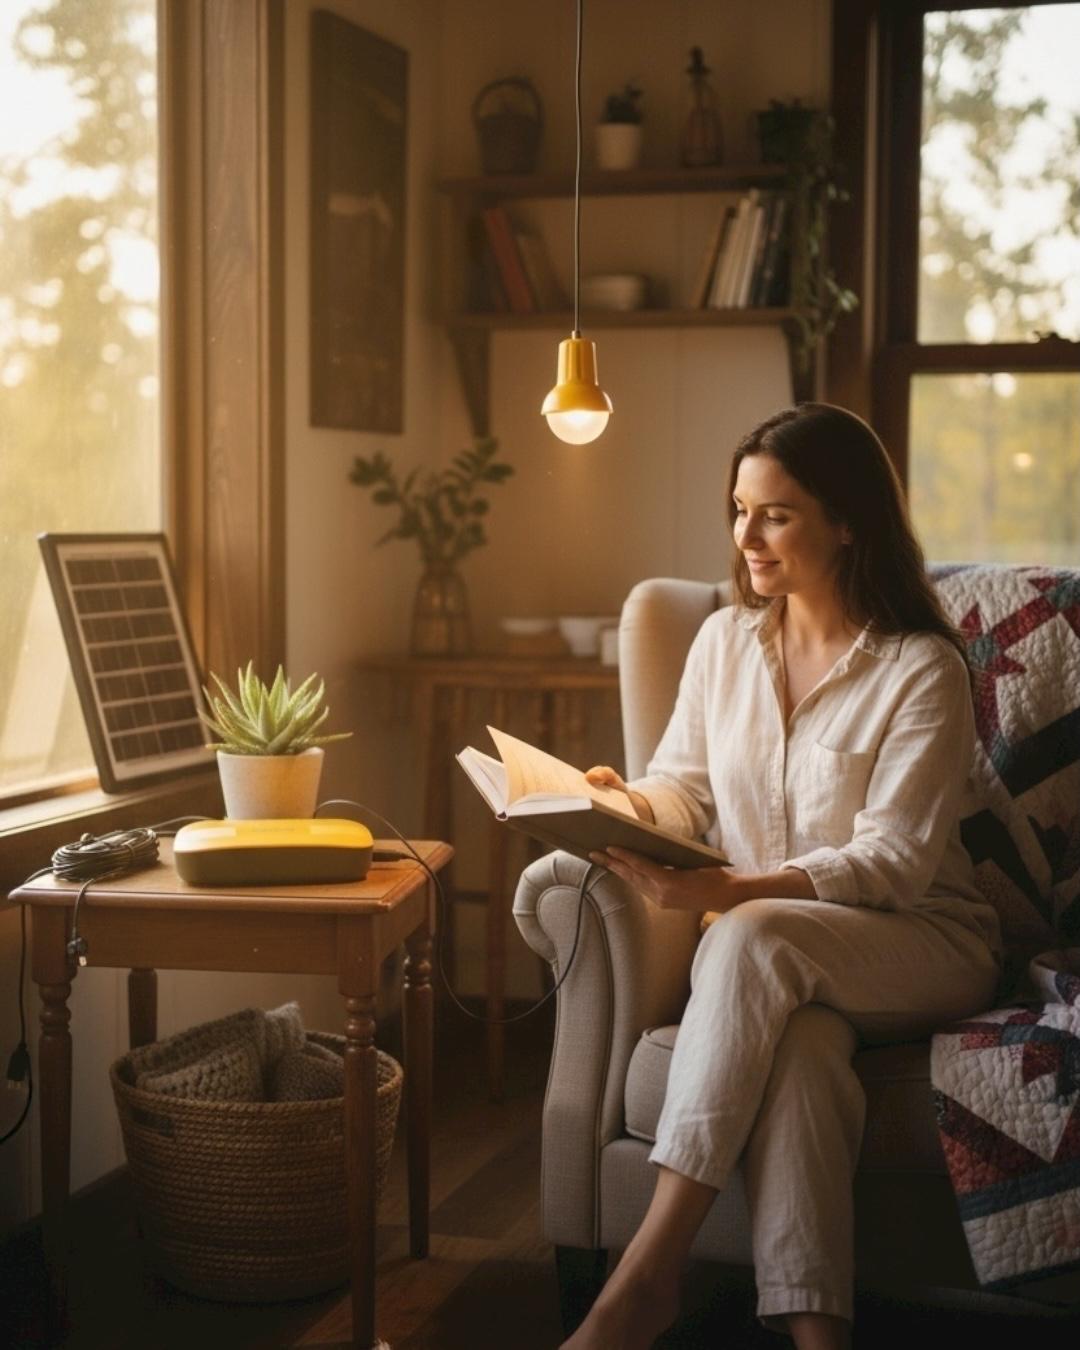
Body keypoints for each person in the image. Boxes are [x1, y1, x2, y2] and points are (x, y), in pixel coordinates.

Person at [564, 403, 1002, 1350]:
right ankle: (817, 1335)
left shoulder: (920, 668)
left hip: (923, 940)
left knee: (753, 937)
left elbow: (889, 864)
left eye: (776, 514)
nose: (746, 537)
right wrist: (626, 804)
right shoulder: (724, 643)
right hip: (791, 964)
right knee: (803, 1055)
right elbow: (683, 787)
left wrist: (727, 895)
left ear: (849, 522)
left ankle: (644, 1279)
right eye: (739, 510)